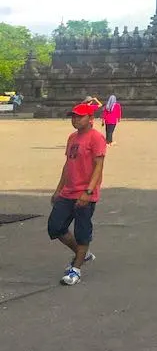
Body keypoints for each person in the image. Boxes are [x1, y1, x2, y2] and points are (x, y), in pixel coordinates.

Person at [48, 102, 106, 286]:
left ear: (91, 119)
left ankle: (76, 268)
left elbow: (99, 166)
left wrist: (88, 191)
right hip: (68, 191)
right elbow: (68, 165)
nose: (75, 120)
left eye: (79, 116)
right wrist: (58, 189)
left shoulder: (96, 138)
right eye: (73, 116)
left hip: (85, 193)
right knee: (55, 227)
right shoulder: (72, 137)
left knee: (82, 233)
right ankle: (83, 254)